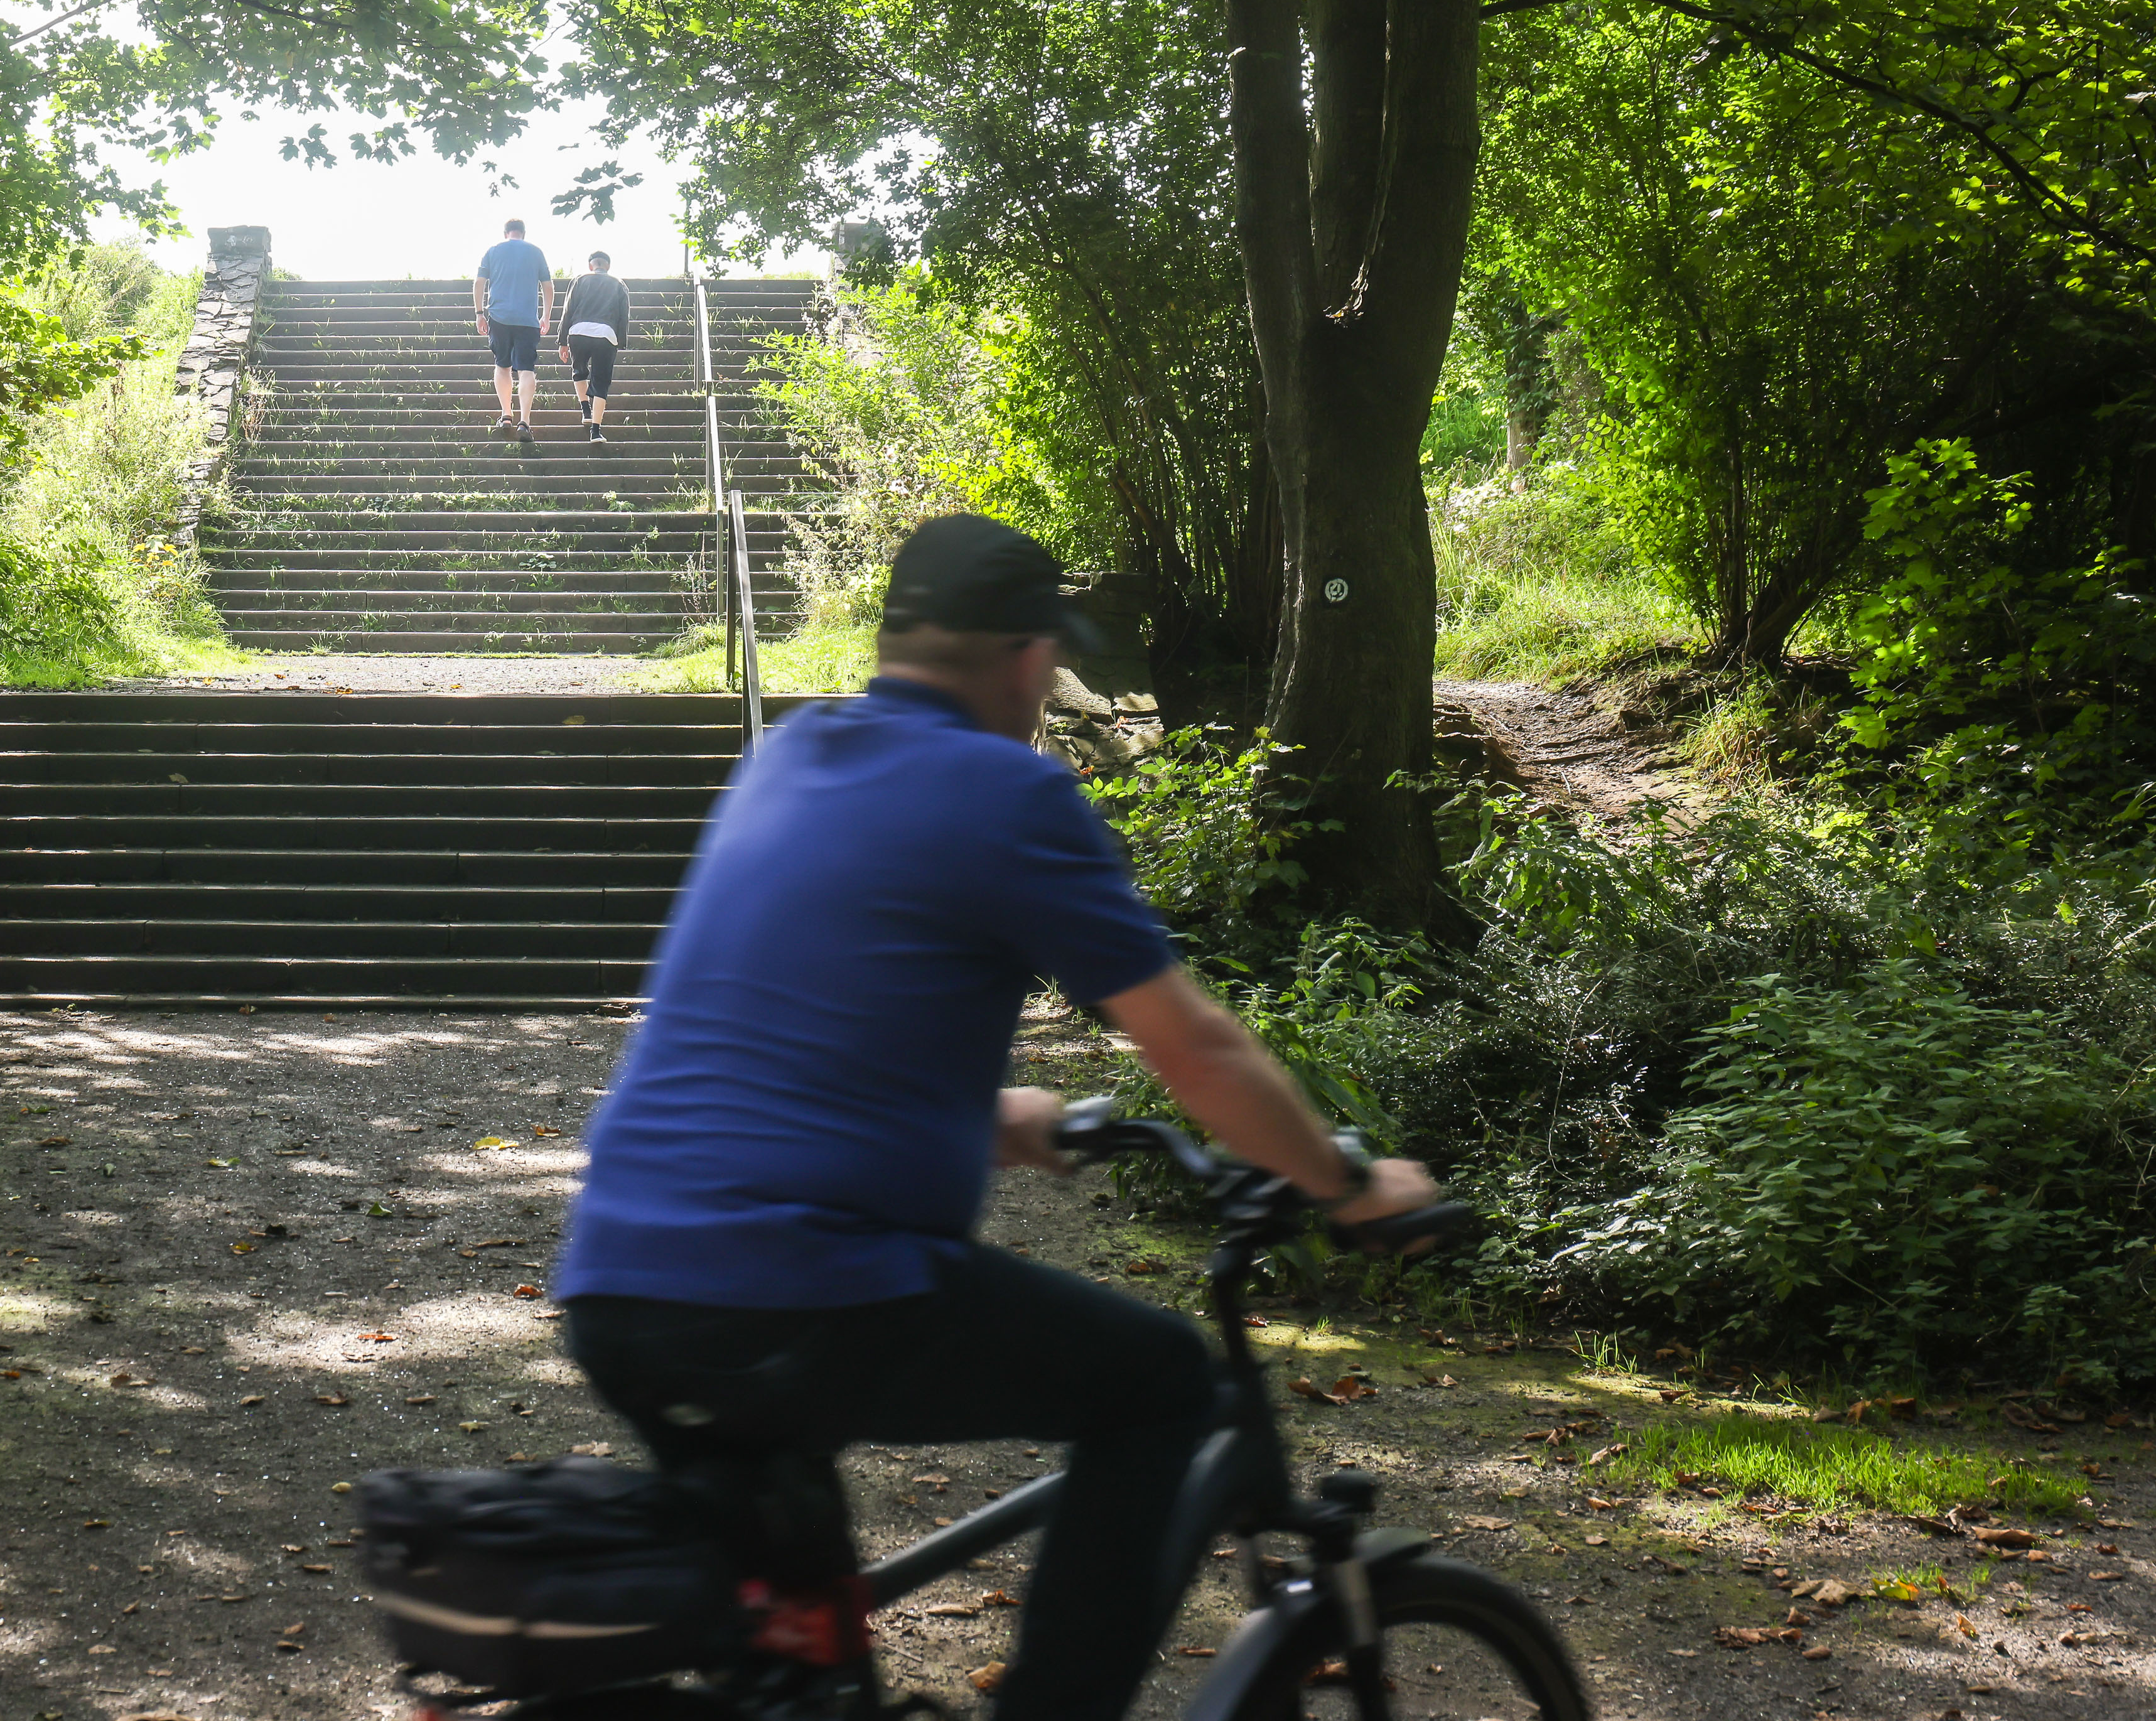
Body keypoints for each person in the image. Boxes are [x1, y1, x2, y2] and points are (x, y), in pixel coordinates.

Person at [553, 513, 1442, 1721]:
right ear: (1028, 658)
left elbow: (792, 1028)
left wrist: (980, 1115)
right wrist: (1347, 1185)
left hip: (624, 1281)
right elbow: (1195, 1044)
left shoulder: (792, 754)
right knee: (1164, 1386)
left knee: (810, 1676)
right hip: (801, 1289)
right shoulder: (1006, 790)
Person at [473, 217, 554, 442]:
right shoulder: (536, 252)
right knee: (527, 370)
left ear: (506, 232)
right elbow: (548, 286)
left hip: (499, 317)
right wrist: (545, 316)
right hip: (528, 320)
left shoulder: (493, 250)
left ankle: (506, 414)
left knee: (502, 366)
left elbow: (479, 282)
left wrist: (480, 314)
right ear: (524, 233)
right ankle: (525, 422)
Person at [558, 249, 632, 445]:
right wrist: (620, 342)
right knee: (601, 383)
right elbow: (624, 315)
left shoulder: (579, 280)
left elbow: (568, 310)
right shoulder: (618, 283)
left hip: (578, 331)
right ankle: (596, 432)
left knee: (579, 371)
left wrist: (562, 340)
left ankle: (585, 410)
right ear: (608, 266)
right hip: (606, 335)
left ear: (591, 265)